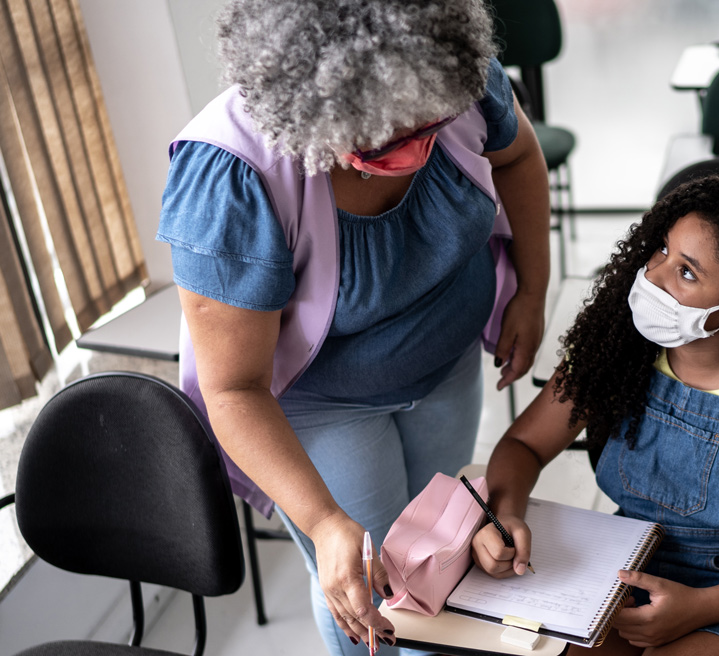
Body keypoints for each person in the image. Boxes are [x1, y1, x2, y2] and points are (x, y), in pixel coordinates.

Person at [155, 1, 550, 654]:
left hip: (444, 363)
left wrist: (531, 290)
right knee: (366, 579)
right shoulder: (232, 177)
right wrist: (323, 522)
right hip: (319, 402)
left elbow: (518, 158)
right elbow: (234, 388)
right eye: (380, 140)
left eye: (425, 123)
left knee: (440, 551)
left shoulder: (454, 74)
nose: (412, 148)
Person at [471, 174, 719, 656]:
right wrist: (505, 513)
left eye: (688, 272)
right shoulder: (617, 349)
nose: (653, 275)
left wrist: (699, 606)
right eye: (662, 250)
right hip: (633, 561)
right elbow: (524, 444)